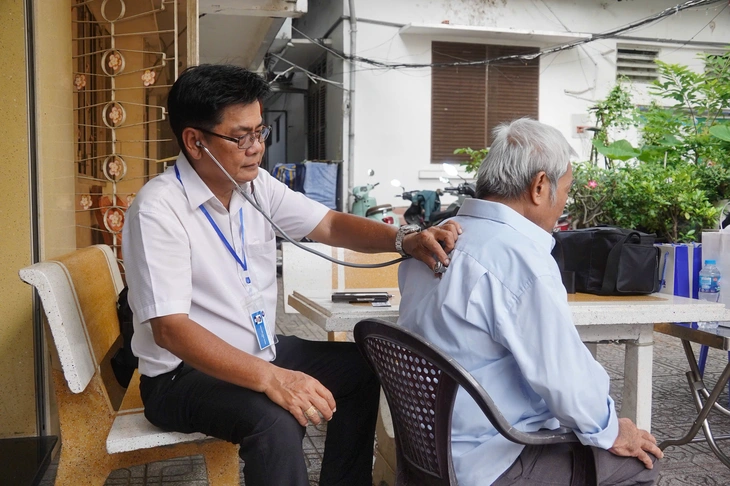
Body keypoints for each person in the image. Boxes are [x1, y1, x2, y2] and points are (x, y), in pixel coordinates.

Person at [121, 63, 461, 486]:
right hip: (182, 376)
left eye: (259, 132)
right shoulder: (158, 210)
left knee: (364, 366)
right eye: (241, 137)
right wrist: (273, 378)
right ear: (194, 141)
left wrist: (404, 240)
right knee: (275, 420)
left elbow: (330, 224)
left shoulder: (256, 187)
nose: (256, 148)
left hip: (260, 351)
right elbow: (170, 330)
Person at [398, 118, 663, 486]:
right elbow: (566, 384)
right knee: (642, 465)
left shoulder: (433, 241)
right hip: (489, 463)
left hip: (426, 451)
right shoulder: (519, 259)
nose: (563, 204)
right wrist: (613, 430)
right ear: (540, 186)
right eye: (565, 191)